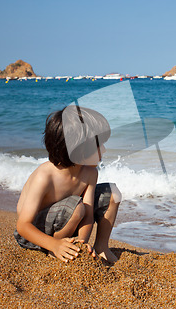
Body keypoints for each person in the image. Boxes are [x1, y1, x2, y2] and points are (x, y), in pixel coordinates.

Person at [13, 105, 121, 263]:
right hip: (36, 234)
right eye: (98, 145)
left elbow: (88, 216)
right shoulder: (45, 176)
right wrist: (54, 245)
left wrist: (82, 244)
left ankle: (101, 247)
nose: (103, 150)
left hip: (71, 218)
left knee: (113, 193)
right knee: (76, 207)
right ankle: (57, 250)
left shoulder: (90, 173)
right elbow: (23, 225)